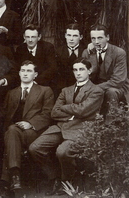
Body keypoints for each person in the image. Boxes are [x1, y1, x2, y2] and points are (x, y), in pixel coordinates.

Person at [29, 58, 104, 195]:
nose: (78, 73)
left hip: (82, 128)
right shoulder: (66, 90)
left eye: (81, 69)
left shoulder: (96, 90)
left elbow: (83, 110)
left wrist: (66, 108)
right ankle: (54, 176)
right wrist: (72, 114)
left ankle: (67, 182)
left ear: (89, 70)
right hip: (61, 126)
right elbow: (54, 112)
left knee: (62, 152)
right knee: (35, 148)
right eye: (75, 70)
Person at [0, 60, 54, 196]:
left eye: (29, 71)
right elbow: (4, 114)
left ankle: (10, 177)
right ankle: (15, 178)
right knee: (11, 131)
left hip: (35, 132)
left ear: (35, 75)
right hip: (14, 132)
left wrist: (31, 123)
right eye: (23, 70)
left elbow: (48, 114)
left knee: (11, 133)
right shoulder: (11, 93)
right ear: (18, 73)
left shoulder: (45, 90)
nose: (25, 73)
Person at [81, 24, 129, 116]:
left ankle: (111, 123)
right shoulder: (87, 52)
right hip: (95, 85)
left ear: (107, 37)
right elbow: (85, 74)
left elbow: (118, 81)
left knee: (111, 92)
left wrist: (95, 88)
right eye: (93, 39)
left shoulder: (119, 53)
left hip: (117, 86)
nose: (96, 42)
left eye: (100, 38)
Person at [55, 23, 86, 95]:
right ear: (65, 36)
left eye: (75, 36)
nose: (71, 39)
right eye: (69, 35)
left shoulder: (86, 50)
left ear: (81, 37)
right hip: (62, 87)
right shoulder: (57, 51)